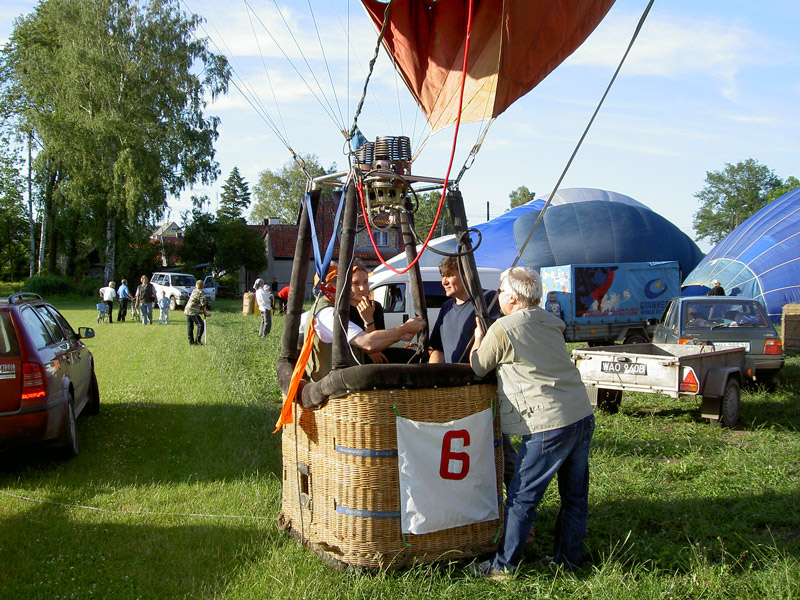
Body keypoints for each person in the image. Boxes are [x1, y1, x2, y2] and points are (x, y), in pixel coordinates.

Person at [469, 267, 595, 578]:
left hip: (547, 422)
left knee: (522, 496)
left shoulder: (503, 328)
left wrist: (477, 339)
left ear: (512, 297)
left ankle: (502, 567)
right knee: (574, 496)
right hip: (580, 413)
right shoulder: (551, 321)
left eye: (500, 291)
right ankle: (567, 561)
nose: (497, 296)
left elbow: (477, 367)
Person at [305, 265, 425, 382]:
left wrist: (399, 336)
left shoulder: (330, 310)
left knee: (415, 358)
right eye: (348, 283)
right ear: (330, 287)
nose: (357, 288)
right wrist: (405, 328)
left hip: (346, 372)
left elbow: (373, 343)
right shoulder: (328, 314)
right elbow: (369, 343)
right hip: (333, 381)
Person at [429, 256, 501, 364]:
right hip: (451, 378)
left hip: (480, 377)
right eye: (443, 276)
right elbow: (438, 349)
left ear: (466, 276)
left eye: (449, 275)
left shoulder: (489, 300)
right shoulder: (446, 308)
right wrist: (433, 376)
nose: (444, 282)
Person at [347, 260, 388, 364]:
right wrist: (368, 321)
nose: (363, 288)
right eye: (356, 283)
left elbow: (379, 342)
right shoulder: (341, 311)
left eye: (366, 282)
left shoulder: (376, 307)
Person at [184, 279, 209, 345]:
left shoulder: (194, 291)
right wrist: (205, 313)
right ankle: (198, 341)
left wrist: (199, 311)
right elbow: (203, 304)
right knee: (201, 325)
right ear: (203, 286)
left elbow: (194, 301)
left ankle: (191, 342)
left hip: (187, 310)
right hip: (193, 311)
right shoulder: (201, 293)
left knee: (190, 326)